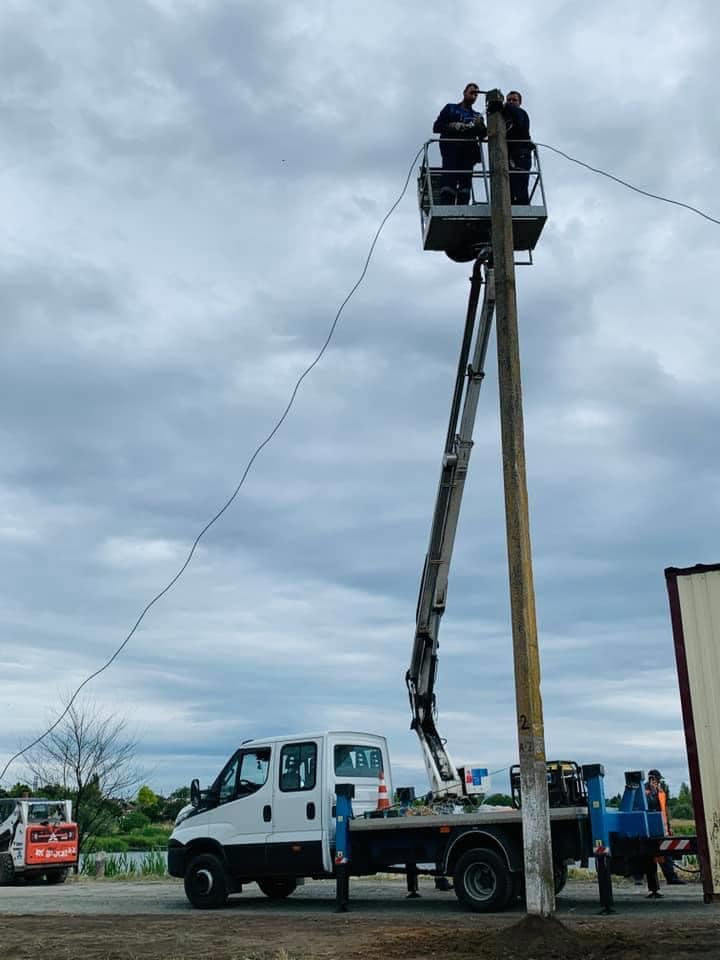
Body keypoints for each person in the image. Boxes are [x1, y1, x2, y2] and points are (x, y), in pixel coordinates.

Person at [433, 84, 487, 205]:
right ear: (464, 92)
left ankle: (463, 205)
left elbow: (483, 135)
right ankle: (447, 205)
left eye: (476, 94)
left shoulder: (477, 116)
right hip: (451, 150)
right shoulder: (450, 108)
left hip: (468, 153)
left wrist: (480, 126)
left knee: (465, 181)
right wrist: (452, 126)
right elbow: (436, 127)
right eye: (471, 92)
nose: (473, 96)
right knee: (449, 179)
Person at [646, 769, 685, 885]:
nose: (658, 782)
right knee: (653, 856)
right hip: (651, 828)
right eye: (657, 780)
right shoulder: (644, 791)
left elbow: (664, 810)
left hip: (661, 827)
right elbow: (648, 805)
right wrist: (652, 792)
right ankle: (644, 880)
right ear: (651, 779)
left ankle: (671, 878)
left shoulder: (661, 792)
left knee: (665, 854)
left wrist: (669, 826)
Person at [503, 91, 533, 205]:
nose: (511, 102)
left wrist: (504, 106)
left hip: (522, 156)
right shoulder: (504, 119)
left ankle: (522, 206)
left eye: (514, 100)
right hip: (508, 157)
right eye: (509, 100)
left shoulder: (521, 113)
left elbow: (520, 124)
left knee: (520, 186)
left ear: (520, 103)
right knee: (508, 187)